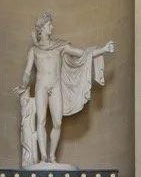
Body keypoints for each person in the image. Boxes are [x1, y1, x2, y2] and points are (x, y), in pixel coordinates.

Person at [16, 13, 114, 165]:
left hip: (56, 86)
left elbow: (82, 54)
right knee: (41, 120)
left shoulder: (60, 46)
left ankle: (52, 156)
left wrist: (103, 50)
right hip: (41, 86)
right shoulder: (34, 50)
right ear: (42, 28)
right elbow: (27, 72)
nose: (52, 27)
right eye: (49, 25)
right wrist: (24, 86)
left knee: (57, 122)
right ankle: (43, 157)